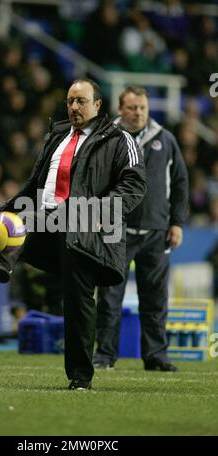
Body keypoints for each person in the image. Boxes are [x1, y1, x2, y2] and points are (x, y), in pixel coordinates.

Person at [0, 78, 146, 390]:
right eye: (70, 101)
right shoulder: (58, 136)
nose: (74, 107)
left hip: (88, 231)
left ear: (98, 106)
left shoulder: (120, 139)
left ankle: (80, 377)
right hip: (50, 225)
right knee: (19, 221)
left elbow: (134, 185)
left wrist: (103, 211)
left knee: (78, 302)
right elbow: (35, 186)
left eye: (81, 101)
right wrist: (5, 207)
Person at [93, 86, 189, 372]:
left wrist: (177, 223)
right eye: (133, 108)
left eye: (143, 108)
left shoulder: (166, 139)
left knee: (156, 299)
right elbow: (94, 180)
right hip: (115, 229)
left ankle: (156, 356)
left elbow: (180, 182)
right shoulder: (107, 138)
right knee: (109, 298)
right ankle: (105, 356)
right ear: (120, 109)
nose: (138, 113)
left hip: (157, 231)